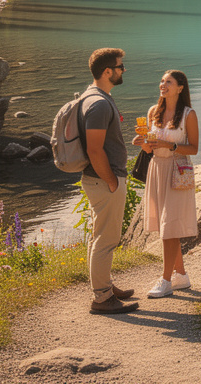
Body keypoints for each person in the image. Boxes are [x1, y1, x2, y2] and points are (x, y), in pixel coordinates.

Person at [81, 47, 139, 314]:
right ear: (107, 72)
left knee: (101, 236)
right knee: (106, 239)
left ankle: (105, 285)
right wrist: (112, 181)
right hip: (105, 180)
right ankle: (102, 298)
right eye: (120, 66)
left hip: (101, 179)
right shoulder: (99, 103)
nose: (123, 70)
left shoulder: (95, 96)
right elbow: (94, 149)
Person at [136, 70, 199, 299]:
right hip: (156, 168)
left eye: (168, 82)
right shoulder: (153, 112)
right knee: (167, 226)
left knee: (169, 227)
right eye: (161, 80)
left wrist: (169, 145)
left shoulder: (188, 115)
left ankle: (165, 280)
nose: (162, 84)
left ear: (180, 87)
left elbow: (194, 148)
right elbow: (149, 148)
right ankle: (180, 275)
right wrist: (143, 143)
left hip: (177, 170)